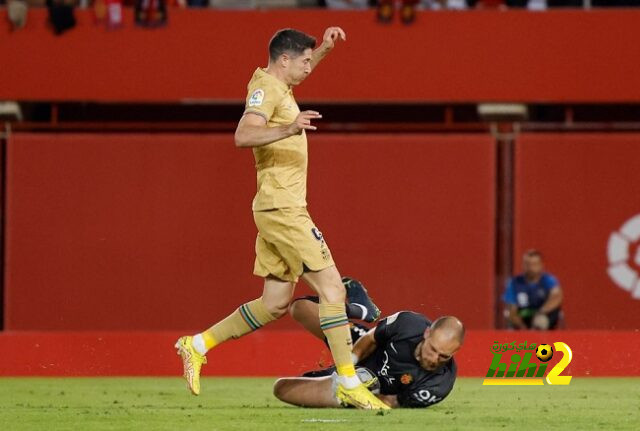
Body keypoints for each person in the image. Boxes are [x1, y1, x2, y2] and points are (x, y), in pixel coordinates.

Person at [175, 27, 390, 410]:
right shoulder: (267, 90)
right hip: (284, 208)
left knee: (274, 303)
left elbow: (300, 67)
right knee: (333, 290)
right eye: (305, 61)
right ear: (284, 60)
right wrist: (289, 128)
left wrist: (323, 49)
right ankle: (347, 381)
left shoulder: (278, 83)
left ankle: (197, 344)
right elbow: (243, 134)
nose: (310, 68)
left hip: (276, 207)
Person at [274, 296, 464, 409]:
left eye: (443, 356)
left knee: (281, 389)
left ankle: (333, 383)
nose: (434, 359)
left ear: (455, 352)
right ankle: (356, 307)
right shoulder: (408, 323)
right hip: (360, 351)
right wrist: (347, 367)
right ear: (427, 333)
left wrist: (356, 387)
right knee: (300, 307)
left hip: (365, 389)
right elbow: (371, 339)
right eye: (432, 349)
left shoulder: (439, 385)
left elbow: (390, 402)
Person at [503, 249, 563, 330]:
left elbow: (556, 298)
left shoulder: (548, 280)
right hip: (523, 317)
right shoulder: (515, 283)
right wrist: (521, 326)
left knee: (541, 321)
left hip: (543, 315)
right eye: (527, 264)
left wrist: (541, 312)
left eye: (534, 264)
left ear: (541, 265)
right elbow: (512, 309)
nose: (531, 268)